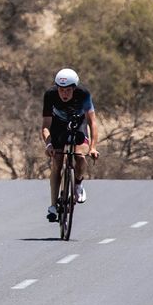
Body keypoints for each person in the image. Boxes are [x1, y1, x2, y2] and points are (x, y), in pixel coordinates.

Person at [43, 67, 98, 222]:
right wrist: (48, 145)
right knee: (57, 162)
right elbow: (46, 125)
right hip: (58, 126)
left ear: (74, 88)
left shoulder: (83, 94)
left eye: (68, 90)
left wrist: (93, 147)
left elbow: (92, 122)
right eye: (61, 90)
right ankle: (53, 206)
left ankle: (78, 183)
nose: (64, 94)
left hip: (78, 124)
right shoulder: (50, 95)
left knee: (80, 156)